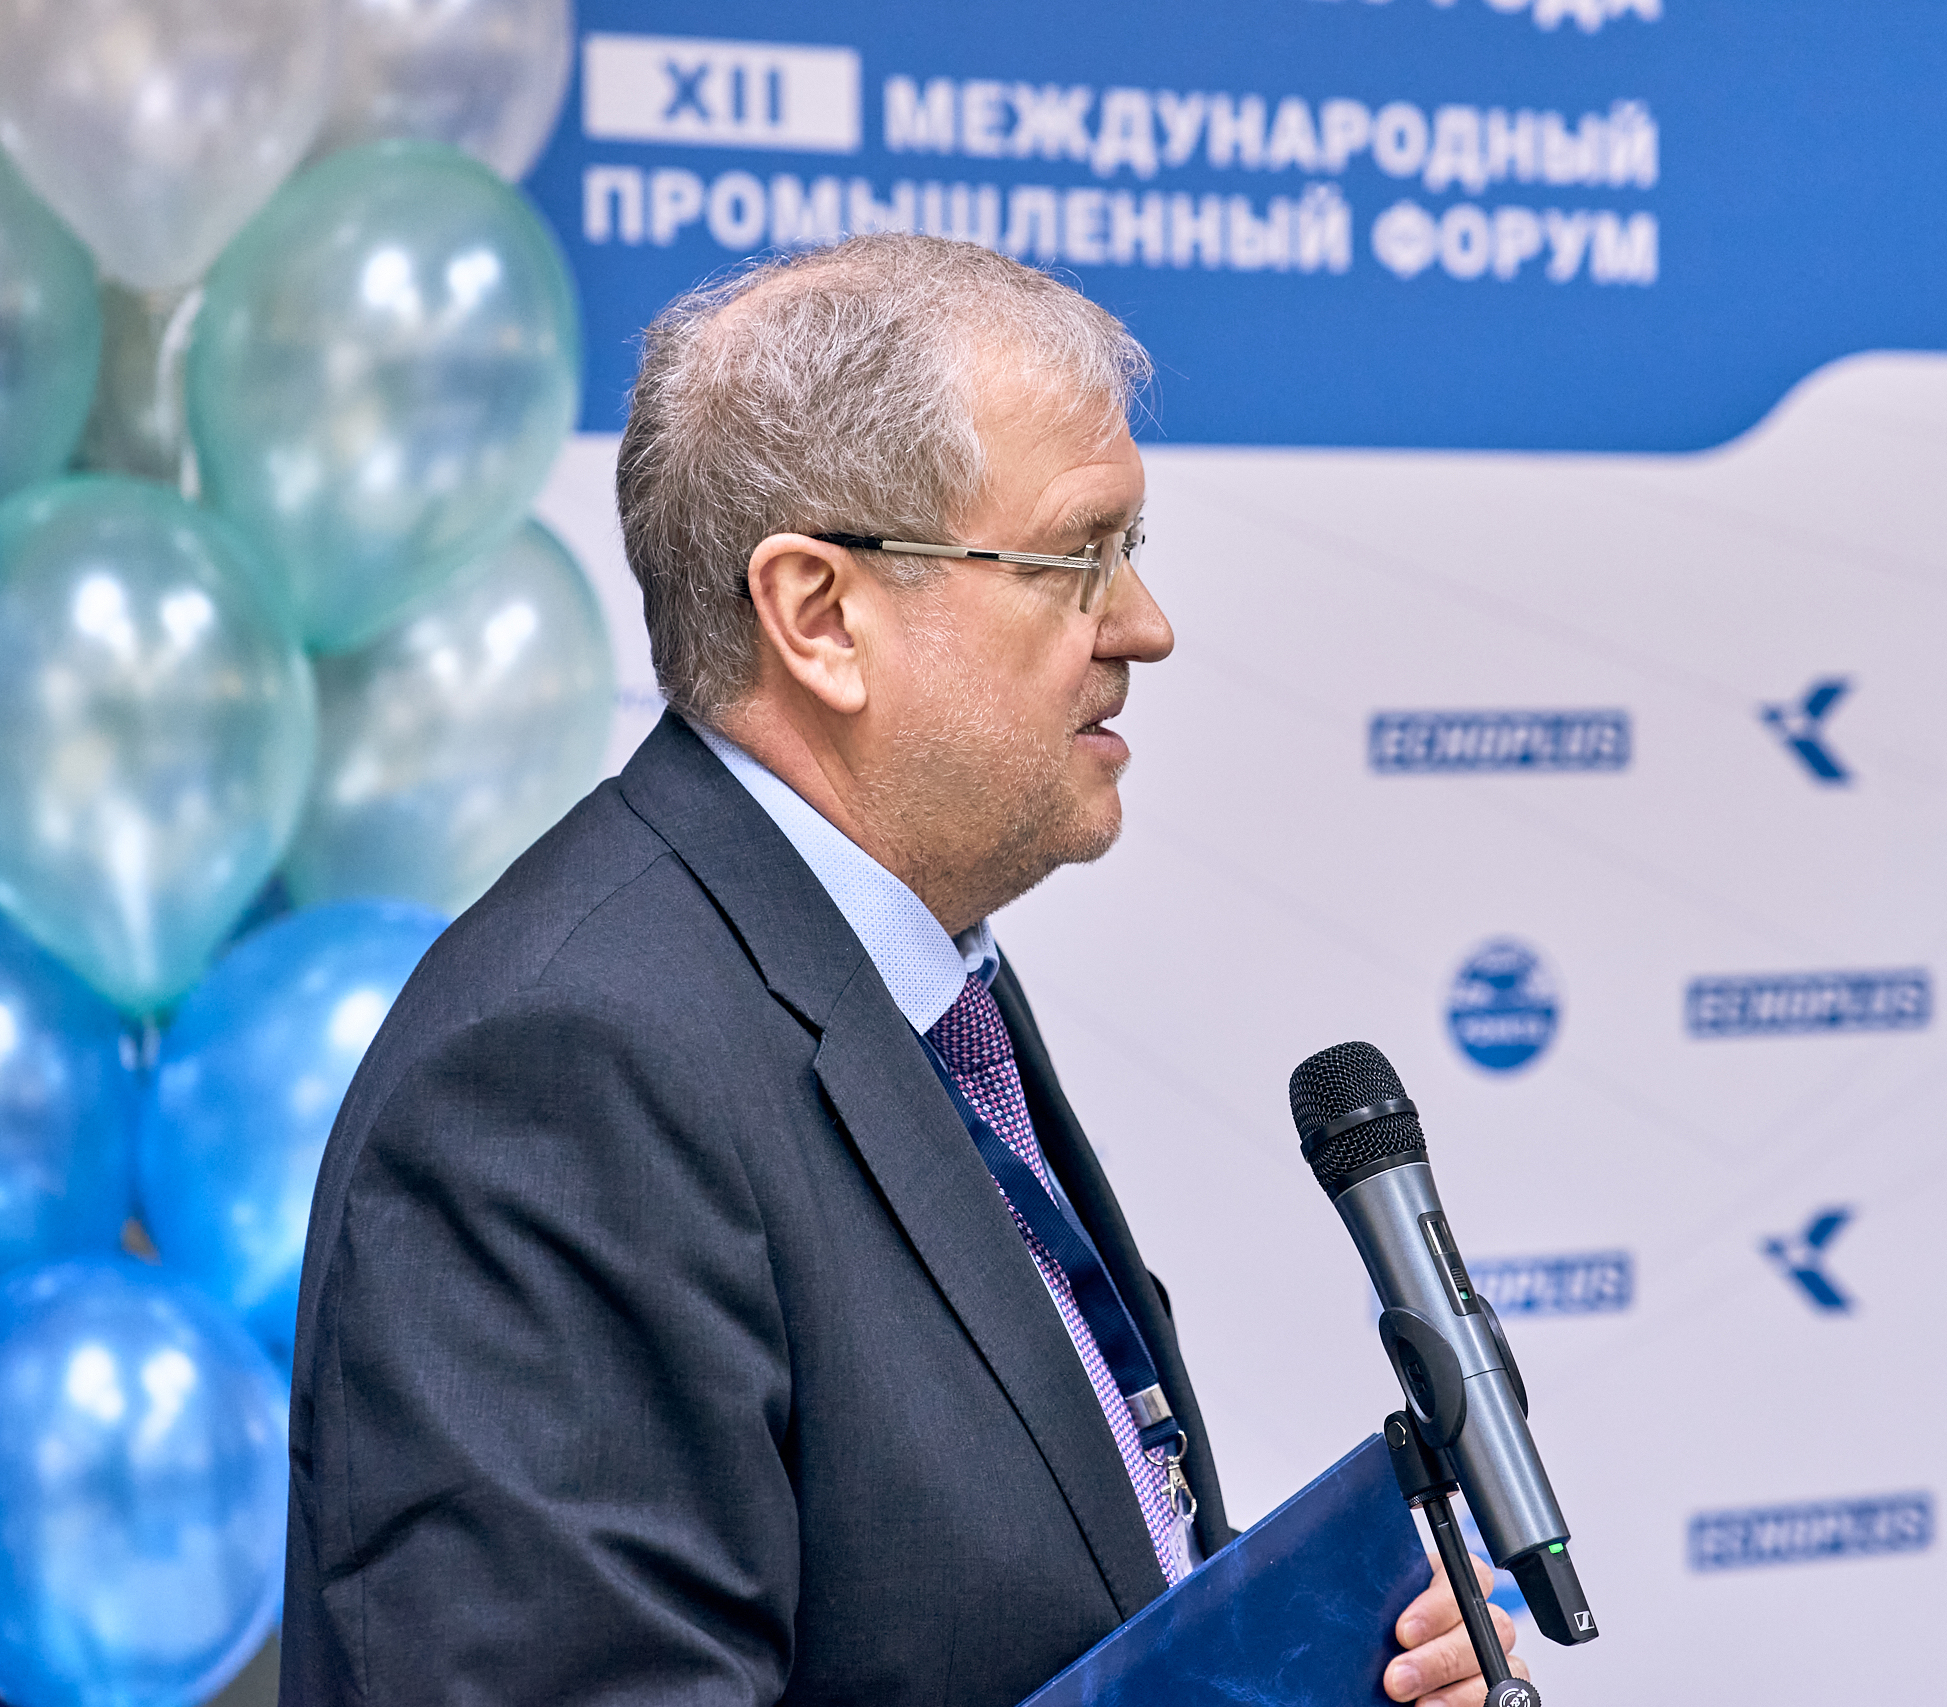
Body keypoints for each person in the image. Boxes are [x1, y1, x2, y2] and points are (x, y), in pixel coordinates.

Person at [279, 233, 1526, 1707]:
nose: (1144, 624)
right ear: (820, 616)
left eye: (1132, 547)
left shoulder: (906, 973)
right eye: (1077, 556)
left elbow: (1005, 1609)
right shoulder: (559, 1075)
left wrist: (1311, 1660)